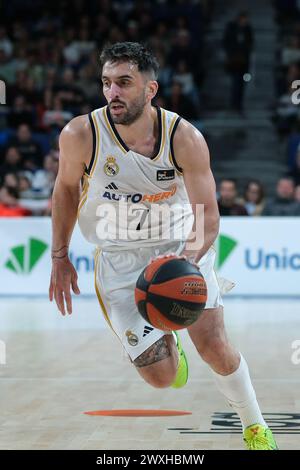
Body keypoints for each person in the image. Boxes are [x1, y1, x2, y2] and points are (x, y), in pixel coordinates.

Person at [49, 42, 277, 450]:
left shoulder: (184, 137)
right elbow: (65, 191)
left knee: (215, 347)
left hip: (180, 244)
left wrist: (186, 262)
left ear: (150, 89)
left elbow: (208, 215)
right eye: (106, 84)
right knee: (161, 378)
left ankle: (254, 426)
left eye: (124, 83)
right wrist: (60, 255)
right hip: (118, 259)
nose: (113, 93)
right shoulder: (81, 135)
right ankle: (169, 345)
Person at [223, 11, 254, 113]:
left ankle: (238, 104)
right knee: (235, 82)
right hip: (233, 61)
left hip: (244, 62)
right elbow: (226, 42)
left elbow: (250, 43)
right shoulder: (231, 28)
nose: (244, 21)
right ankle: (234, 104)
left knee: (242, 83)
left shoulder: (248, 29)